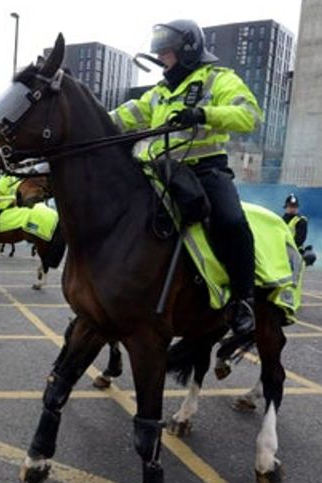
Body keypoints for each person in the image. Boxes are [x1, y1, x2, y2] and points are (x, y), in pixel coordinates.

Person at [110, 19, 262, 335]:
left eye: (167, 52)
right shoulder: (159, 93)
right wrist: (88, 119)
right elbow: (124, 117)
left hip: (206, 170)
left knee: (232, 222)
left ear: (188, 50)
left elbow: (249, 114)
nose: (162, 60)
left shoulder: (218, 79)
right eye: (160, 53)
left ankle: (244, 300)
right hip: (162, 172)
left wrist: (204, 114)